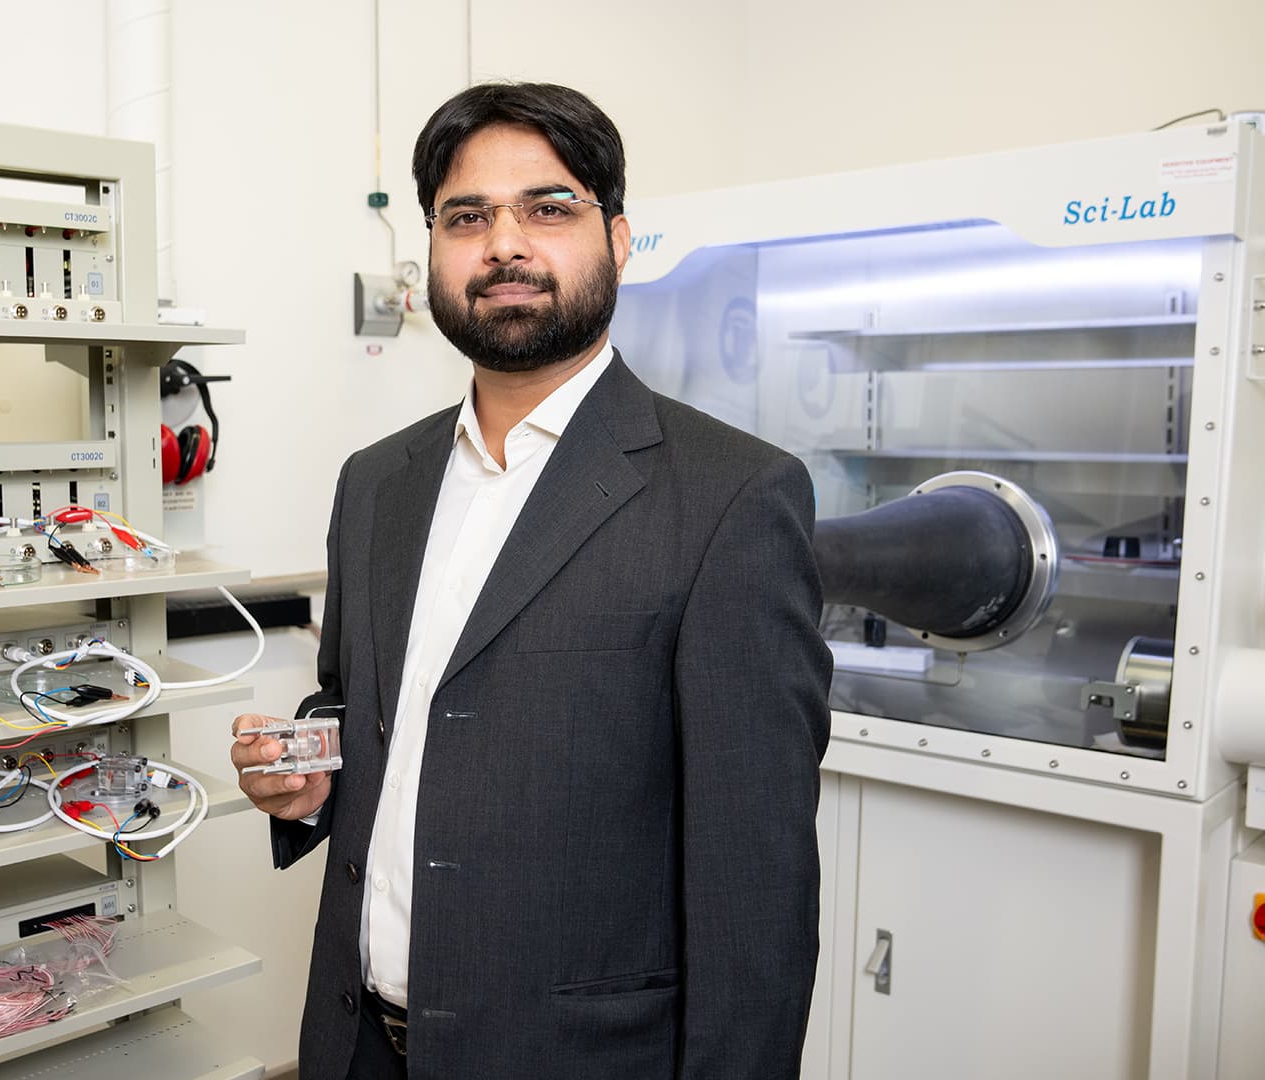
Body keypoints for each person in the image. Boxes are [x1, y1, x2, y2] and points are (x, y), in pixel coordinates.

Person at [230, 81, 831, 1079]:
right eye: (467, 217)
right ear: (432, 255)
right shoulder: (378, 482)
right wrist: (304, 784)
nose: (504, 243)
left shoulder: (733, 498)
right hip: (355, 1044)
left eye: (548, 209)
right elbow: (363, 706)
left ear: (622, 238)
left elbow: (755, 888)